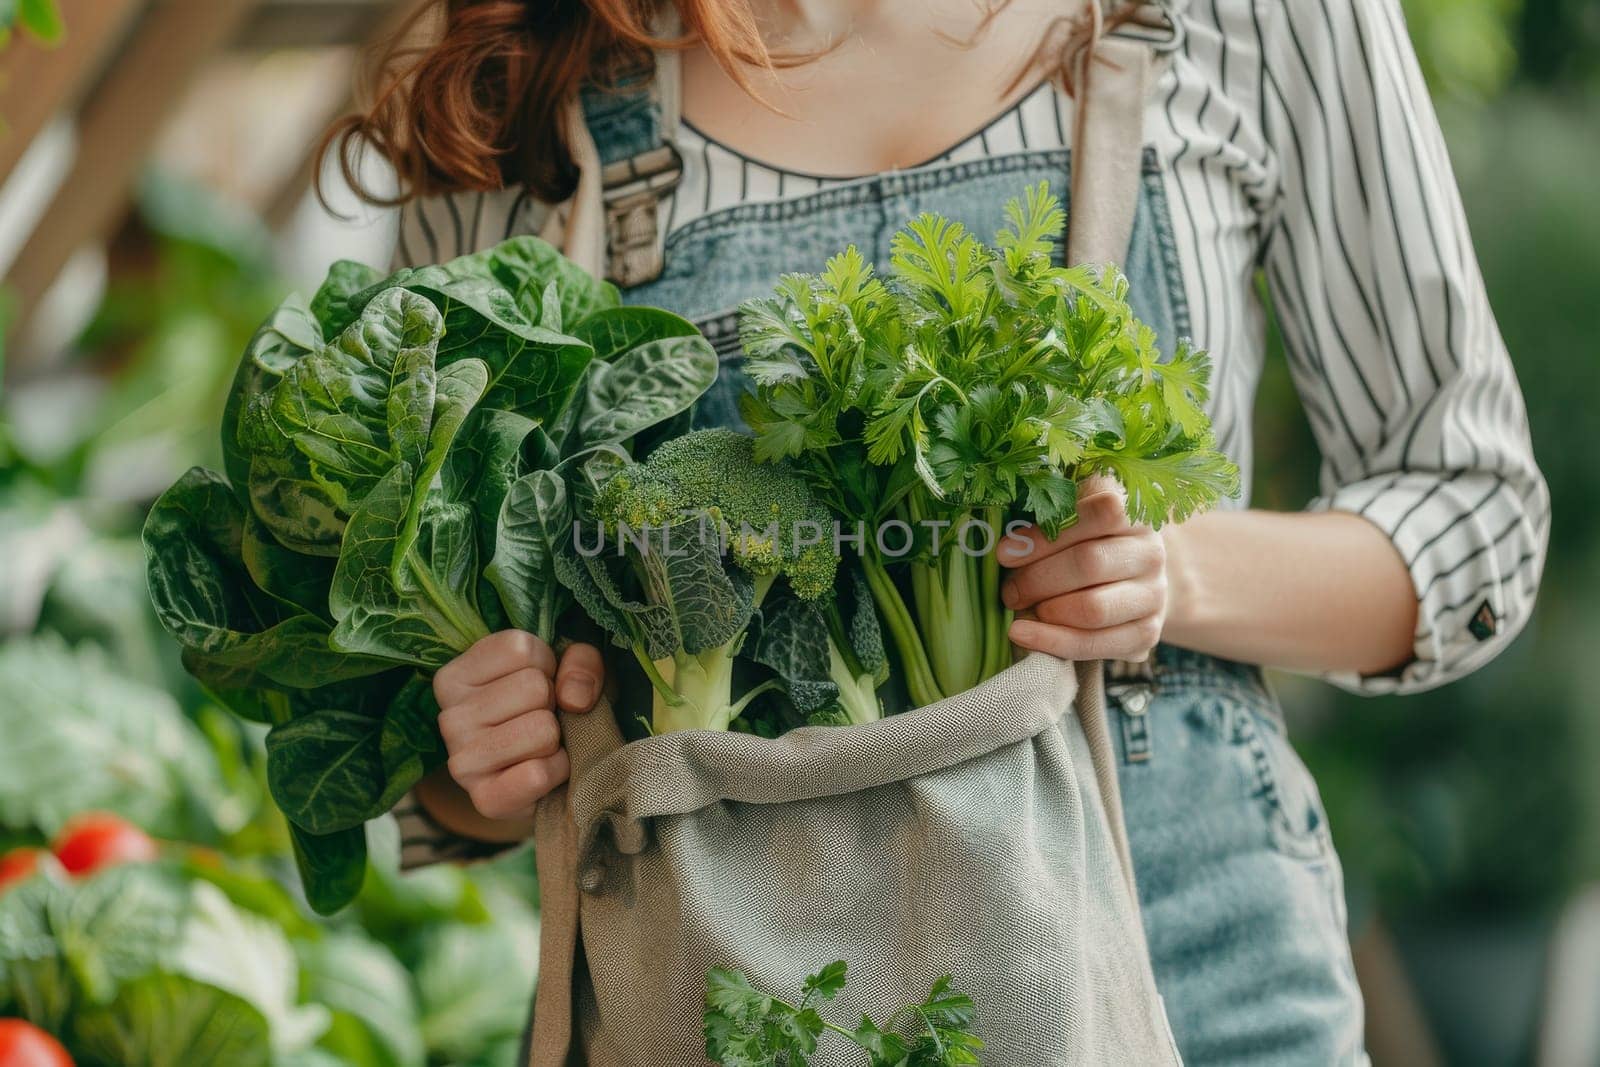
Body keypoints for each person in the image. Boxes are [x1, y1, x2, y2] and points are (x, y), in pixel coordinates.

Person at [326, 0, 1549, 1062]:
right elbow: (438, 764)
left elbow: (1471, 511)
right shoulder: (513, 84)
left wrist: (1164, 571)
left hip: (1197, 972)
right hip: (740, 999)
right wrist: (485, 748)